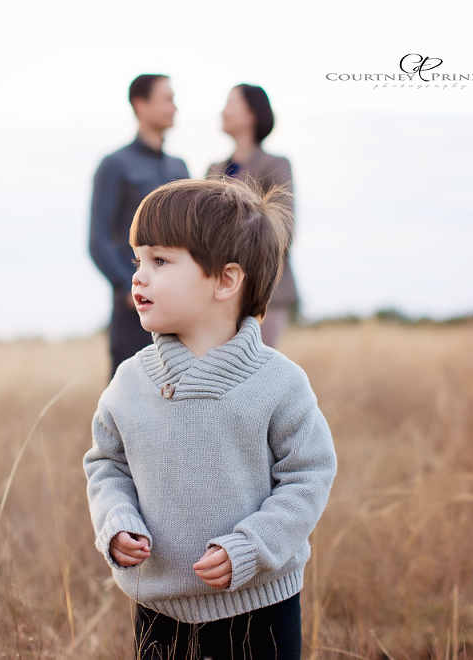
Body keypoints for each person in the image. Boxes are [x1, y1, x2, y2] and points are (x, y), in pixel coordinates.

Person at [83, 178, 337, 660]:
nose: (138, 276)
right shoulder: (130, 381)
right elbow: (107, 466)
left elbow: (308, 474)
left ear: (225, 280)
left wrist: (251, 547)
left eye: (160, 261)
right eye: (138, 260)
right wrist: (116, 523)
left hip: (260, 609)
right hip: (161, 610)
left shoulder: (277, 383)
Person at [89, 74, 190, 378]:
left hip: (180, 309)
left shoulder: (179, 168)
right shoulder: (115, 165)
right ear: (140, 104)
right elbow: (99, 240)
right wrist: (127, 288)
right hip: (135, 311)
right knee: (126, 407)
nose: (174, 107)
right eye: (167, 99)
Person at [207, 84, 298, 347]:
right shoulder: (213, 169)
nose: (223, 111)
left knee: (259, 372)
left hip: (266, 289)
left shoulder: (275, 165)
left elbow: (284, 227)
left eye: (230, 103)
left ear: (251, 114)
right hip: (221, 290)